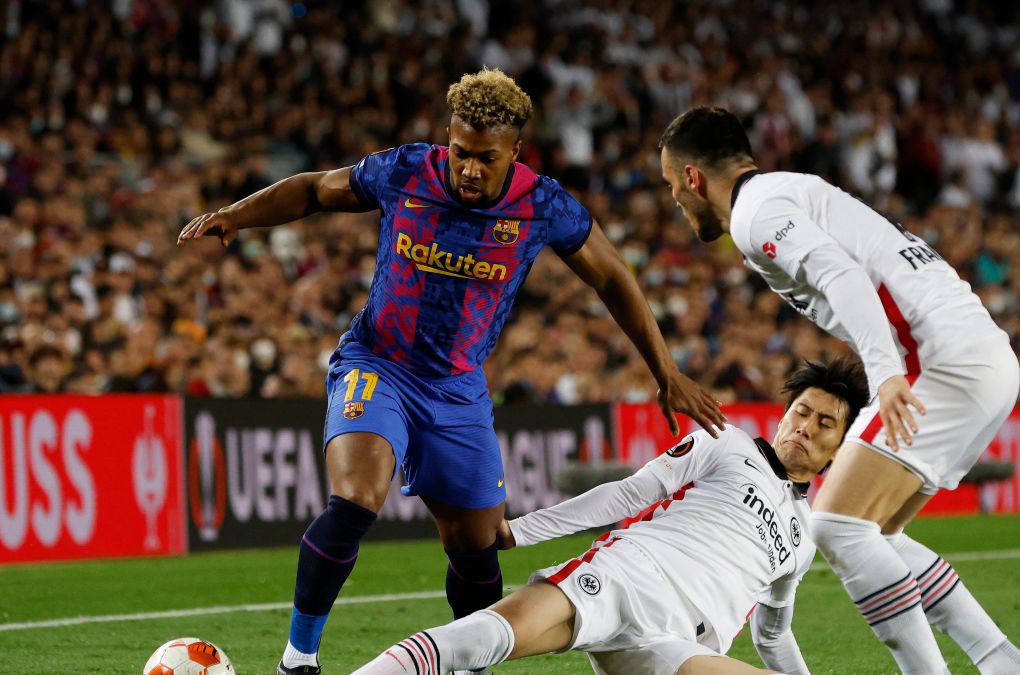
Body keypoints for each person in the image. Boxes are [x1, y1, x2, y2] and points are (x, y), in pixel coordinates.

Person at [177, 68, 726, 675]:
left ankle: (472, 667)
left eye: (485, 158)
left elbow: (613, 277)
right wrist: (239, 214)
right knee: (356, 499)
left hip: (457, 389)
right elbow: (315, 189)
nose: (468, 169)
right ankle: (297, 660)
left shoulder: (543, 205)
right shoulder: (406, 170)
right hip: (378, 364)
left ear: (515, 151)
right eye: (460, 152)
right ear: (448, 138)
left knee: (477, 545)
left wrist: (666, 371)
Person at [656, 106, 1020, 675]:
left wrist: (886, 373)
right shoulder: (787, 191)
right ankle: (1006, 664)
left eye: (671, 184)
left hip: (939, 358)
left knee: (835, 523)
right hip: (979, 353)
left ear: (693, 178)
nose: (674, 199)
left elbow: (843, 275)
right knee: (878, 533)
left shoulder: (757, 214)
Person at [352, 357, 870, 675]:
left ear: (839, 449)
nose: (805, 427)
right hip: (628, 577)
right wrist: (520, 531)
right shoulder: (727, 443)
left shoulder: (803, 540)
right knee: (486, 637)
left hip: (679, 646)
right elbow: (629, 494)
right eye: (801, 411)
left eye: (825, 423)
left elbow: (773, 634)